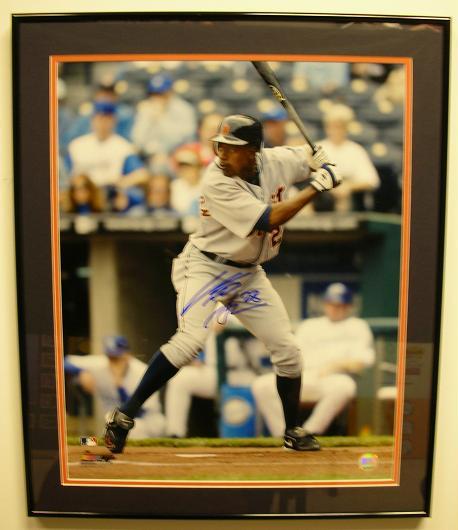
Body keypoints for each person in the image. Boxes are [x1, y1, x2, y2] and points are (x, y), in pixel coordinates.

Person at [103, 114, 342, 453]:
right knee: (189, 342)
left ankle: (292, 430)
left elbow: (308, 157)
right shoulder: (216, 180)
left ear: (254, 151)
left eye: (232, 148)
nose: (222, 154)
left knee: (288, 351)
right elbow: (268, 219)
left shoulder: (276, 161)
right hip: (206, 268)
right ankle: (124, 415)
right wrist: (318, 186)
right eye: (220, 146)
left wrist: (322, 159)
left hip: (247, 275)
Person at [251, 283, 376, 437]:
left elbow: (362, 362)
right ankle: (284, 433)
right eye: (331, 304)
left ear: (349, 306)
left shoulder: (357, 326)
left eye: (340, 305)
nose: (335, 308)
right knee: (261, 385)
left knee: (345, 386)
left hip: (332, 379)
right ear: (325, 304)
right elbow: (292, 354)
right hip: (304, 376)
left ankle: (311, 432)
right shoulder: (310, 325)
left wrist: (335, 366)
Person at [164, 316, 258, 438]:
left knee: (261, 390)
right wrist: (200, 357)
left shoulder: (246, 307)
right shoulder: (209, 310)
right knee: (180, 379)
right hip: (213, 371)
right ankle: (175, 434)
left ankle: (265, 436)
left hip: (242, 372)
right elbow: (198, 337)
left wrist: (229, 325)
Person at [64, 336, 166, 439]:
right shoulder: (102, 364)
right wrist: (81, 371)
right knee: (93, 441)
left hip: (147, 423)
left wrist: (120, 388)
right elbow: (64, 361)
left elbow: (138, 411)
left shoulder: (141, 371)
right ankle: (85, 444)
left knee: (129, 431)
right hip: (117, 425)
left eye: (117, 358)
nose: (113, 362)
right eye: (111, 357)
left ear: (127, 355)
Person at [65, 100, 149, 190]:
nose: (103, 123)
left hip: (109, 191)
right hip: (82, 192)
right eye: (99, 118)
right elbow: (65, 174)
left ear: (114, 121)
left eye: (107, 119)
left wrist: (120, 184)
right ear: (92, 120)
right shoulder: (76, 145)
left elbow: (142, 174)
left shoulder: (123, 146)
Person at [316, 103, 380, 212]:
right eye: (332, 126)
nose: (336, 130)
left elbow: (372, 181)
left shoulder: (355, 150)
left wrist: (349, 187)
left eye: (340, 126)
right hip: (322, 198)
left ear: (347, 128)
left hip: (350, 200)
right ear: (326, 127)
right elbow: (311, 177)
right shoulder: (318, 148)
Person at [131, 73, 197, 160]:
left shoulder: (184, 109)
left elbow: (186, 138)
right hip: (149, 156)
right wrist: (149, 119)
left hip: (177, 155)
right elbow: (137, 140)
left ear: (170, 92)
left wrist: (161, 119)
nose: (157, 97)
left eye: (161, 94)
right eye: (154, 94)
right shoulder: (146, 109)